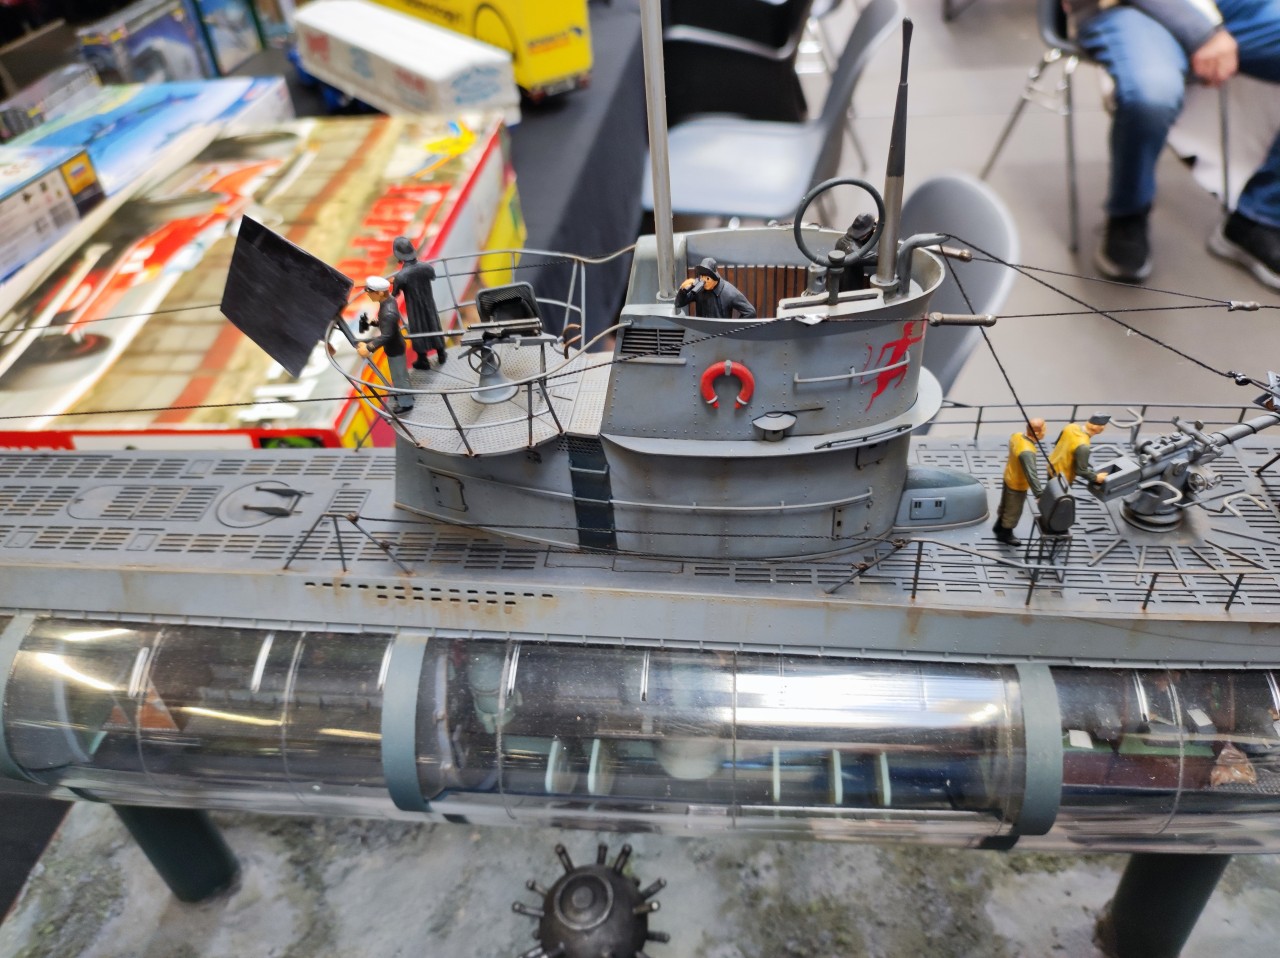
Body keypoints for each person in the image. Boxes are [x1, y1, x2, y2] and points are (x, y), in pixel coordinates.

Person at [1070, 0, 1280, 288]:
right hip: (1127, 7)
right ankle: (1127, 212)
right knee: (1152, 94)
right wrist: (1201, 33)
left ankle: (1259, 217)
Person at [356, 276, 414, 414]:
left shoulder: (388, 312)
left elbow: (387, 336)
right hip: (395, 345)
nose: (368, 294)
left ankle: (406, 403)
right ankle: (404, 395)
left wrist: (369, 347)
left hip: (395, 348)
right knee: (400, 375)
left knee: (399, 376)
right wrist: (376, 322)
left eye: (370, 292)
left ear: (380, 293)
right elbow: (388, 325)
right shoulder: (389, 301)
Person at [390, 236, 444, 369]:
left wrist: (394, 282)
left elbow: (395, 294)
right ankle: (441, 353)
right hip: (429, 303)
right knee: (433, 324)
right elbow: (432, 276)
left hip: (414, 308)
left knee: (417, 330)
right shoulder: (427, 267)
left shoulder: (401, 276)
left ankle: (423, 359)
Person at [993, 417, 1047, 547]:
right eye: (1044, 429)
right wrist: (1039, 494)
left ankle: (998, 526)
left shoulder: (1016, 436)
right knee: (1013, 510)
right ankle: (1005, 533)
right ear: (1038, 433)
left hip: (1009, 476)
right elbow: (1031, 474)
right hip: (1017, 484)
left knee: (1005, 504)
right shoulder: (1027, 451)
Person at [674, 257, 757, 318]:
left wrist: (734, 329)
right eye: (702, 277)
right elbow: (679, 304)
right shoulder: (699, 288)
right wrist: (683, 290)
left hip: (722, 334)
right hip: (701, 332)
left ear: (714, 277)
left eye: (707, 278)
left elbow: (750, 312)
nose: (704, 281)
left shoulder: (729, 292)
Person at [1049, 413, 1111, 486]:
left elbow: (1057, 443)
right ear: (1098, 428)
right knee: (1058, 492)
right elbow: (1081, 471)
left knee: (1050, 487)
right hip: (1062, 477)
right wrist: (1096, 478)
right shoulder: (1083, 446)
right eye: (1103, 426)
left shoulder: (1071, 426)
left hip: (1052, 465)